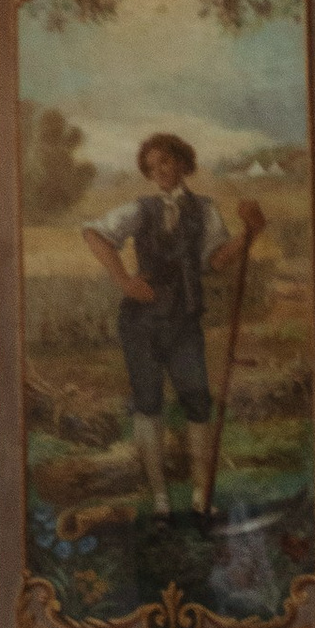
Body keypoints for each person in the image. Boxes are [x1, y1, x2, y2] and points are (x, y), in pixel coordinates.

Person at [80, 131, 266, 518]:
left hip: (184, 320)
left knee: (197, 402)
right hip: (141, 322)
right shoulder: (141, 208)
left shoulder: (205, 210)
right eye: (151, 167)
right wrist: (125, 281)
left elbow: (215, 260)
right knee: (148, 404)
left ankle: (201, 497)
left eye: (165, 162)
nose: (160, 171)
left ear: (182, 162)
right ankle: (161, 501)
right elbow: (94, 233)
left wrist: (249, 235)